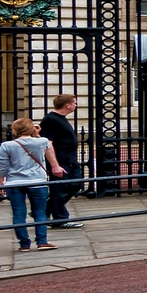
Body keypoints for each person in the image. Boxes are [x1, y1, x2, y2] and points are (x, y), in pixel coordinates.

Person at [0, 115, 65, 251]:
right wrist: (36, 134)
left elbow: (3, 166)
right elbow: (46, 147)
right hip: (37, 181)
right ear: (32, 129)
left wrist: (1, 182)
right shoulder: (42, 141)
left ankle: (24, 243)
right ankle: (42, 241)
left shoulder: (7, 145)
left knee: (18, 213)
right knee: (40, 212)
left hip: (14, 182)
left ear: (14, 131)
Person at [41, 93, 82, 228]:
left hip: (70, 159)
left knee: (76, 184)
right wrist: (55, 165)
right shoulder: (51, 119)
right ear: (67, 105)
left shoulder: (60, 118)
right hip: (60, 161)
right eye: (74, 103)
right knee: (59, 189)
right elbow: (48, 143)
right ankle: (60, 219)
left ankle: (45, 209)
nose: (76, 105)